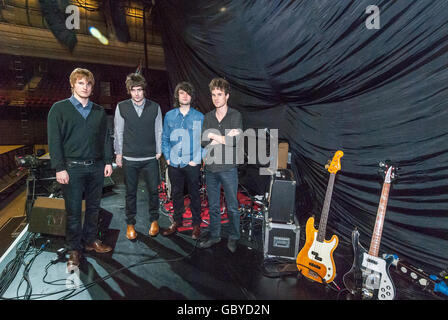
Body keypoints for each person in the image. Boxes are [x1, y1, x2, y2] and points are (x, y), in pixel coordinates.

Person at [47, 68, 113, 270]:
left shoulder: (99, 111)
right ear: (73, 85)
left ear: (92, 87)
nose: (85, 87)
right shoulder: (59, 109)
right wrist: (59, 167)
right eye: (81, 83)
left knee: (93, 209)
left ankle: (91, 240)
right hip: (71, 169)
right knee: (74, 212)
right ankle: (74, 249)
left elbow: (105, 139)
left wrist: (108, 162)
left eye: (88, 84)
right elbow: (54, 140)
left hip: (96, 168)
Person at [114, 73, 162, 240]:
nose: (136, 93)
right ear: (129, 91)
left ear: (144, 90)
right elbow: (118, 131)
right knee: (130, 193)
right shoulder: (121, 107)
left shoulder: (155, 107)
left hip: (150, 157)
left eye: (139, 90)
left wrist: (159, 150)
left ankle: (154, 220)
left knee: (153, 192)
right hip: (129, 157)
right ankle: (130, 223)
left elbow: (158, 130)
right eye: (133, 90)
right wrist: (118, 153)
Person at [199, 77, 243, 253]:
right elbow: (203, 141)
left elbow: (234, 141)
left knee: (232, 206)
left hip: (228, 169)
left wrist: (213, 136)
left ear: (227, 96)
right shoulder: (208, 117)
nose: (216, 98)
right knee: (214, 206)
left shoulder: (235, 115)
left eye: (219, 94)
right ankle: (215, 235)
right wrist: (222, 138)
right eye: (213, 95)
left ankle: (234, 237)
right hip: (210, 169)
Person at [161, 81, 204, 239]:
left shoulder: (199, 116)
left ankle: (196, 224)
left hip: (192, 163)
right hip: (174, 162)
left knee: (194, 194)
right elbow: (165, 138)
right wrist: (168, 158)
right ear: (177, 96)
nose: (184, 95)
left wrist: (197, 159)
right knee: (176, 193)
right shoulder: (170, 115)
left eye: (187, 93)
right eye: (181, 93)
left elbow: (204, 141)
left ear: (191, 96)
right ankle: (177, 222)